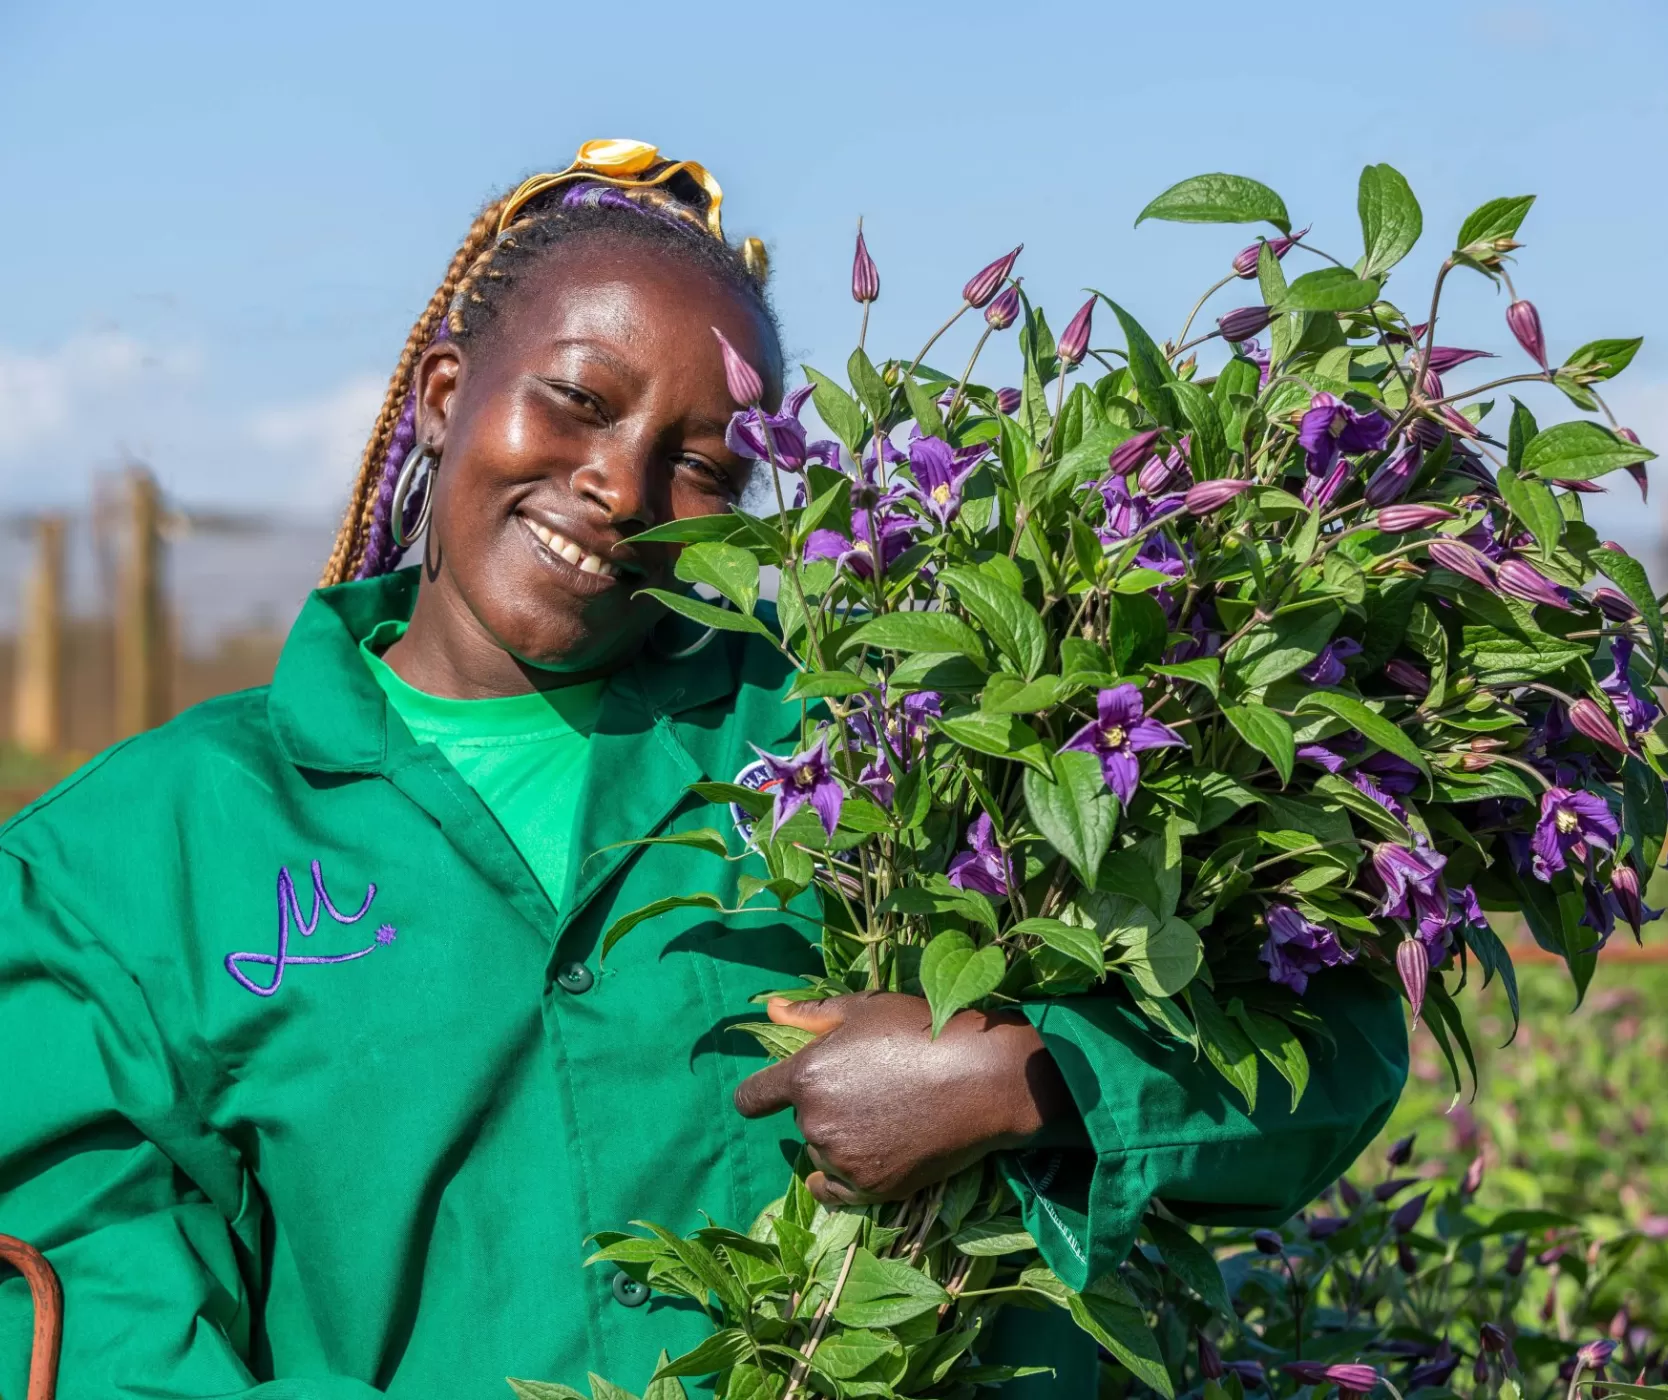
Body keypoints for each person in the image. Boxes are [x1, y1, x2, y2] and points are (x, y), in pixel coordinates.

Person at [0, 139, 1408, 1399]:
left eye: (704, 467)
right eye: (576, 402)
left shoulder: (875, 745)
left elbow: (1329, 1052)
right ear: (442, 396)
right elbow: (92, 1322)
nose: (620, 487)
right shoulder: (131, 860)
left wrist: (1024, 1082)